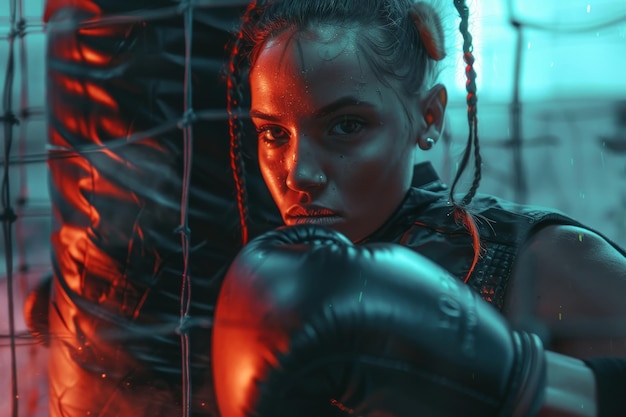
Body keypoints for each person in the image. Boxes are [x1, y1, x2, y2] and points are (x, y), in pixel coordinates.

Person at [212, 0, 626, 416]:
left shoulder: (545, 258)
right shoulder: (267, 284)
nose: (298, 173)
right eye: (273, 133)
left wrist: (518, 378)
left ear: (429, 117)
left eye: (346, 126)